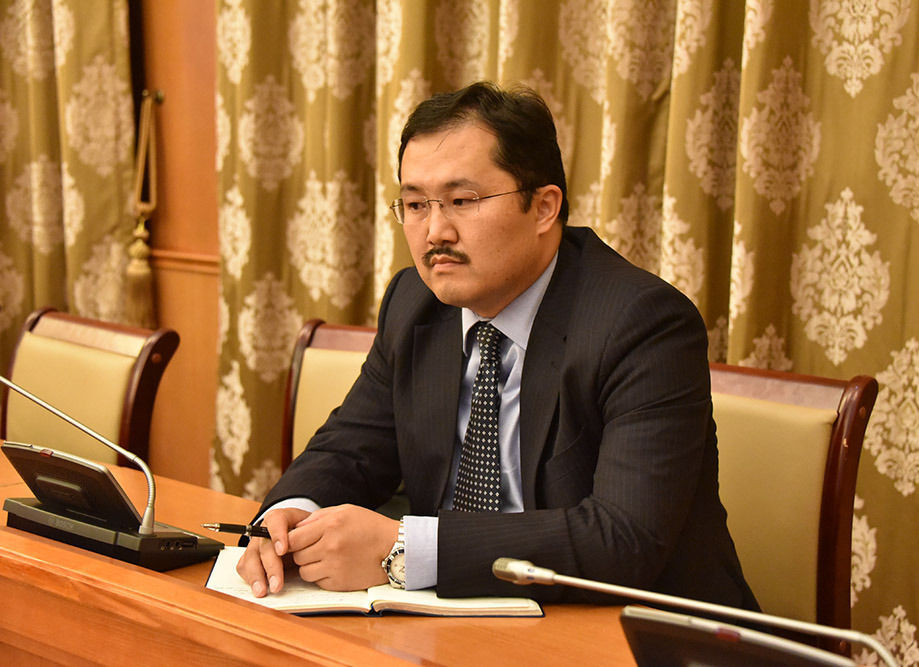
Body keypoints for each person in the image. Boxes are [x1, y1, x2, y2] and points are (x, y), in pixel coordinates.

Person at [237, 81, 758, 610]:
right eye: (415, 204)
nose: (435, 232)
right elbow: (350, 449)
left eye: (462, 201)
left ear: (544, 207)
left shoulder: (642, 324)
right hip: (445, 619)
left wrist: (404, 547)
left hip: (627, 626)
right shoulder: (415, 303)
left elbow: (623, 538)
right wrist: (289, 516)